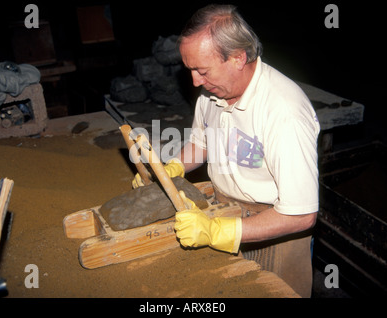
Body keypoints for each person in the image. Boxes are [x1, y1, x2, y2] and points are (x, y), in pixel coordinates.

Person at [132, 4, 320, 298]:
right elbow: (202, 144)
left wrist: (218, 232)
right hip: (224, 210)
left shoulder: (284, 112)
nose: (195, 81)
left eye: (202, 71)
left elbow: (301, 215)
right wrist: (170, 169)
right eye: (191, 70)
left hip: (274, 231)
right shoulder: (212, 93)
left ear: (237, 58)